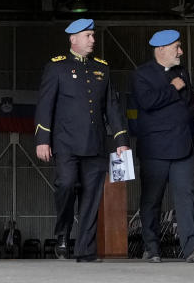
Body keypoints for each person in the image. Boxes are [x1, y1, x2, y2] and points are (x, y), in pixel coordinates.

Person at [35, 18, 129, 263]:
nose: (93, 40)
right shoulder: (56, 67)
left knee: (91, 196)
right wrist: (42, 140)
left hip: (95, 144)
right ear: (73, 39)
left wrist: (121, 139)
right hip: (65, 143)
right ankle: (63, 233)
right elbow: (45, 106)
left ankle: (85, 249)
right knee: (66, 185)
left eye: (93, 35)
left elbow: (112, 107)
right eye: (88, 35)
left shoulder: (102, 68)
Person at [133, 29, 194, 263]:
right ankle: (151, 247)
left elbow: (189, 105)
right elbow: (147, 102)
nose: (181, 51)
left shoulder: (182, 73)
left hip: (183, 146)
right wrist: (173, 88)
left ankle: (192, 247)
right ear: (161, 49)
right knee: (152, 199)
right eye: (177, 47)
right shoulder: (142, 74)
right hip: (155, 149)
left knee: (187, 196)